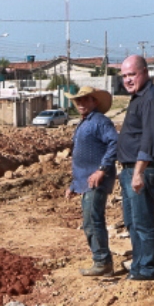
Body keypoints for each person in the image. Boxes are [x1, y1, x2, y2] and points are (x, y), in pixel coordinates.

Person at [117, 55, 154, 281]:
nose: (128, 80)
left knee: (143, 222)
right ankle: (138, 267)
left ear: (144, 73)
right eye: (124, 76)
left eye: (132, 75)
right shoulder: (138, 97)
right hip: (130, 169)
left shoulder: (151, 98)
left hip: (142, 169)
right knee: (132, 222)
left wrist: (138, 172)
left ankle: (147, 269)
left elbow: (149, 139)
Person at [63, 86, 118, 276]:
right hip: (86, 181)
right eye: (78, 100)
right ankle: (101, 260)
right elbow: (81, 159)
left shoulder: (100, 122)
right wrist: (73, 185)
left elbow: (114, 143)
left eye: (85, 99)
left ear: (95, 102)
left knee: (92, 221)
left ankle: (102, 262)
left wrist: (102, 170)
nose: (81, 103)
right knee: (90, 220)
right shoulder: (85, 122)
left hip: (97, 181)